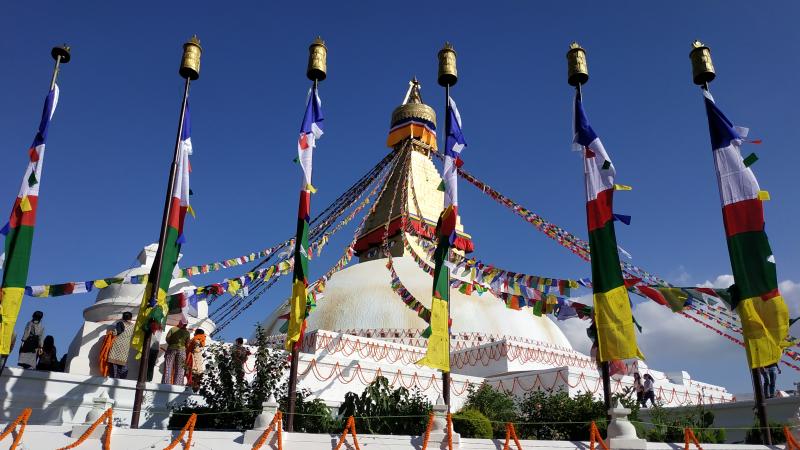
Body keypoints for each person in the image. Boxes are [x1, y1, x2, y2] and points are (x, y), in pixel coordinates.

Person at [106, 312, 134, 379]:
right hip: (126, 346)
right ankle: (122, 378)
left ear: (123, 317)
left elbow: (116, 332)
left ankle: (114, 378)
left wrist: (111, 332)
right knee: (122, 363)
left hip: (117, 345)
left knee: (113, 363)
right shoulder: (133, 326)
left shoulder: (120, 323)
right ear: (131, 318)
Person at [162, 319, 190, 385]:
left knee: (168, 366)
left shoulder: (173, 329)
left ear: (180, 323)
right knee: (180, 368)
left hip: (171, 349)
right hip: (182, 350)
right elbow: (187, 344)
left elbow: (167, 339)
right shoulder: (187, 332)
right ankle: (178, 384)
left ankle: (166, 383)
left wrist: (172, 343)